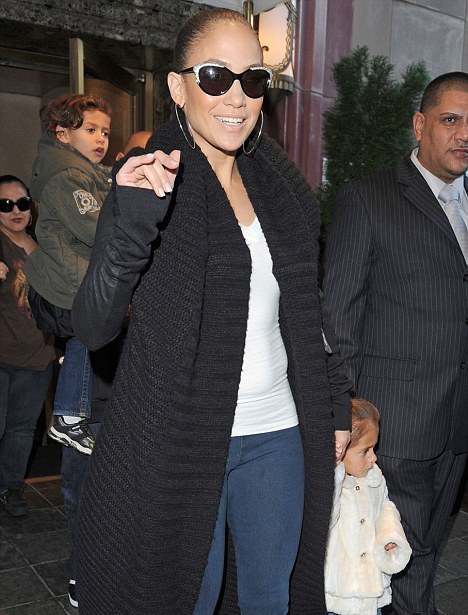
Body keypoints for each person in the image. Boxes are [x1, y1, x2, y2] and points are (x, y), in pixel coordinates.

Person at [72, 8, 351, 614]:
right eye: (215, 76)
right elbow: (92, 326)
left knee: (271, 598)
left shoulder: (282, 191)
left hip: (277, 433)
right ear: (178, 87)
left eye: (253, 79)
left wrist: (336, 406)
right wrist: (132, 224)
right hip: (180, 438)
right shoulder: (148, 180)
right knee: (185, 599)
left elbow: (307, 317)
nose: (236, 96)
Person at [322, 71, 468, 615]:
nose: (464, 134)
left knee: (424, 547)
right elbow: (339, 313)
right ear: (420, 124)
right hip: (394, 420)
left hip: (456, 417)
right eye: (451, 119)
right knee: (390, 550)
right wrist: (344, 410)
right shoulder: (368, 198)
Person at [60, 129, 150, 609]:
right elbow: (67, 314)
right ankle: (83, 574)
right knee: (84, 494)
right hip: (95, 399)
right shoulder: (101, 230)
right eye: (140, 158)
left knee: (132, 505)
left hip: (141, 401)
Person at [22, 93, 112, 456]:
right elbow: (94, 228)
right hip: (68, 283)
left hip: (70, 280)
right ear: (62, 134)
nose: (101, 138)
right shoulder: (69, 176)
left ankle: (70, 413)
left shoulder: (82, 172)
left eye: (105, 131)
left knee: (85, 340)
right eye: (90, 130)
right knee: (88, 336)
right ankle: (69, 415)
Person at [0, 175, 56, 516]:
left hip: (38, 357)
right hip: (3, 355)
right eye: (5, 205)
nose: (15, 211)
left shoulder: (44, 246)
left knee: (21, 431)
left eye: (21, 203)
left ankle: (10, 489)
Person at [325, 398, 412, 615]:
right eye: (365, 451)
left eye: (374, 448)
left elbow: (385, 507)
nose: (373, 457)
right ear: (339, 450)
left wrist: (389, 536)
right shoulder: (327, 485)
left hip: (371, 590)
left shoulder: (374, 476)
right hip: (337, 595)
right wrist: (334, 473)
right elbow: (327, 520)